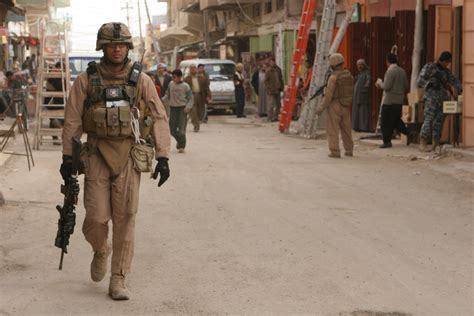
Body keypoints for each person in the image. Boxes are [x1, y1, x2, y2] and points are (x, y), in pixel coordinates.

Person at [59, 22, 171, 301]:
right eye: (112, 44)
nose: (117, 49)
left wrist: (164, 156)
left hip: (129, 156)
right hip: (96, 153)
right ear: (103, 47)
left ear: (128, 47)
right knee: (96, 218)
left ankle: (119, 277)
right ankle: (100, 249)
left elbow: (158, 117)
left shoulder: (141, 80)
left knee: (125, 218)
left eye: (121, 44)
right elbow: (72, 119)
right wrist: (67, 157)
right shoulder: (86, 80)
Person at [417, 51, 462, 152]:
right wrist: (430, 84)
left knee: (439, 121)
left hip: (443, 100)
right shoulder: (429, 67)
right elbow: (419, 80)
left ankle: (435, 143)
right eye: (447, 62)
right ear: (443, 60)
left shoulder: (446, 72)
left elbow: (454, 81)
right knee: (428, 119)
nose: (447, 64)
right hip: (431, 98)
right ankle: (423, 142)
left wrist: (461, 88)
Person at [315, 53, 354, 158]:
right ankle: (349, 150)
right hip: (345, 105)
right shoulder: (348, 75)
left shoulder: (333, 78)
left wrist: (321, 108)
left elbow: (328, 96)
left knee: (333, 129)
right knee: (346, 129)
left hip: (334, 105)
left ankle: (335, 151)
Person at [375, 53, 409, 148]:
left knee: (385, 121)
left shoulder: (390, 71)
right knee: (395, 120)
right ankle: (409, 132)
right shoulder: (402, 71)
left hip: (389, 100)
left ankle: (387, 141)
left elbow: (387, 86)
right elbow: (406, 85)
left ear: (387, 61)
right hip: (399, 100)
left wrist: (380, 84)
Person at [162, 69, 193, 153]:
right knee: (172, 130)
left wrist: (188, 107)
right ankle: (179, 141)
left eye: (174, 77)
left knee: (181, 130)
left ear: (179, 77)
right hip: (173, 109)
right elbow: (167, 95)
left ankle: (182, 146)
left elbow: (190, 98)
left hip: (182, 109)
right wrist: (161, 100)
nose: (173, 78)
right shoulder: (171, 84)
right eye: (172, 76)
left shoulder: (186, 86)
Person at [184, 64, 210, 132]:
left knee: (201, 112)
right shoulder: (186, 79)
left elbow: (206, 88)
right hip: (191, 97)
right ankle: (196, 125)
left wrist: (208, 96)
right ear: (190, 70)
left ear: (196, 69)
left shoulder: (202, 78)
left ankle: (198, 121)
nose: (193, 69)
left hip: (200, 96)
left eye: (194, 68)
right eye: (191, 68)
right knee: (193, 112)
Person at [352, 59, 371, 132]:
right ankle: (356, 126)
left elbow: (368, 83)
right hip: (357, 96)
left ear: (364, 65)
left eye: (361, 65)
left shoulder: (367, 73)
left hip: (363, 95)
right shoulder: (359, 74)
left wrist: (364, 89)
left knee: (363, 112)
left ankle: (363, 127)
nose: (359, 66)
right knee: (356, 112)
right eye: (358, 65)